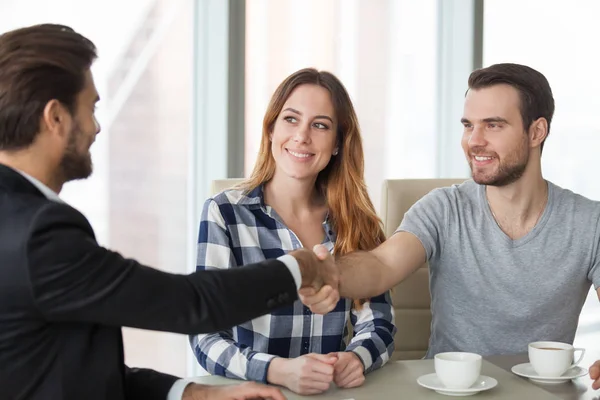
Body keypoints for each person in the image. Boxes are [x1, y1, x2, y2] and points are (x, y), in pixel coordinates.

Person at [0, 24, 339, 400]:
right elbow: (190, 303)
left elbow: (76, 370)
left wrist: (200, 394)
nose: (96, 127)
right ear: (55, 118)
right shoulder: (39, 234)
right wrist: (302, 266)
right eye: (91, 108)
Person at [301, 63, 600, 389]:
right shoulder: (442, 209)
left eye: (493, 125)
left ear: (536, 132)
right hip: (450, 395)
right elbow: (382, 264)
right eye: (468, 125)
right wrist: (333, 274)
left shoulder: (589, 222)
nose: (474, 140)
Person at [190, 68, 395, 395]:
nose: (302, 136)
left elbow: (378, 321)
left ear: (339, 143)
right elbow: (205, 335)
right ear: (270, 129)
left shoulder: (357, 221)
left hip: (332, 392)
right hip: (253, 393)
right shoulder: (224, 212)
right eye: (290, 119)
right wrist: (277, 370)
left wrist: (356, 358)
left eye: (320, 125)